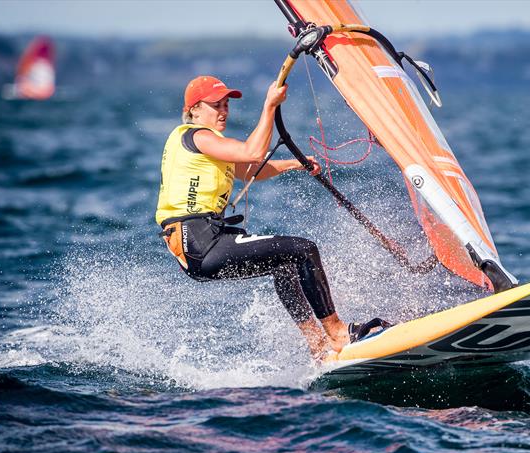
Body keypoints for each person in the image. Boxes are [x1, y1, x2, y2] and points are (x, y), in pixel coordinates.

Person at [156, 75, 383, 359]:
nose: (224, 111)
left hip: (200, 246)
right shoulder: (196, 136)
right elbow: (253, 152)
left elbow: (252, 170)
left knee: (285, 264)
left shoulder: (207, 147)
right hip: (201, 243)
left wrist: (293, 165)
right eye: (216, 105)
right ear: (195, 109)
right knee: (304, 250)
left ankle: (317, 344)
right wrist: (269, 106)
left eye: (226, 104)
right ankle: (337, 332)